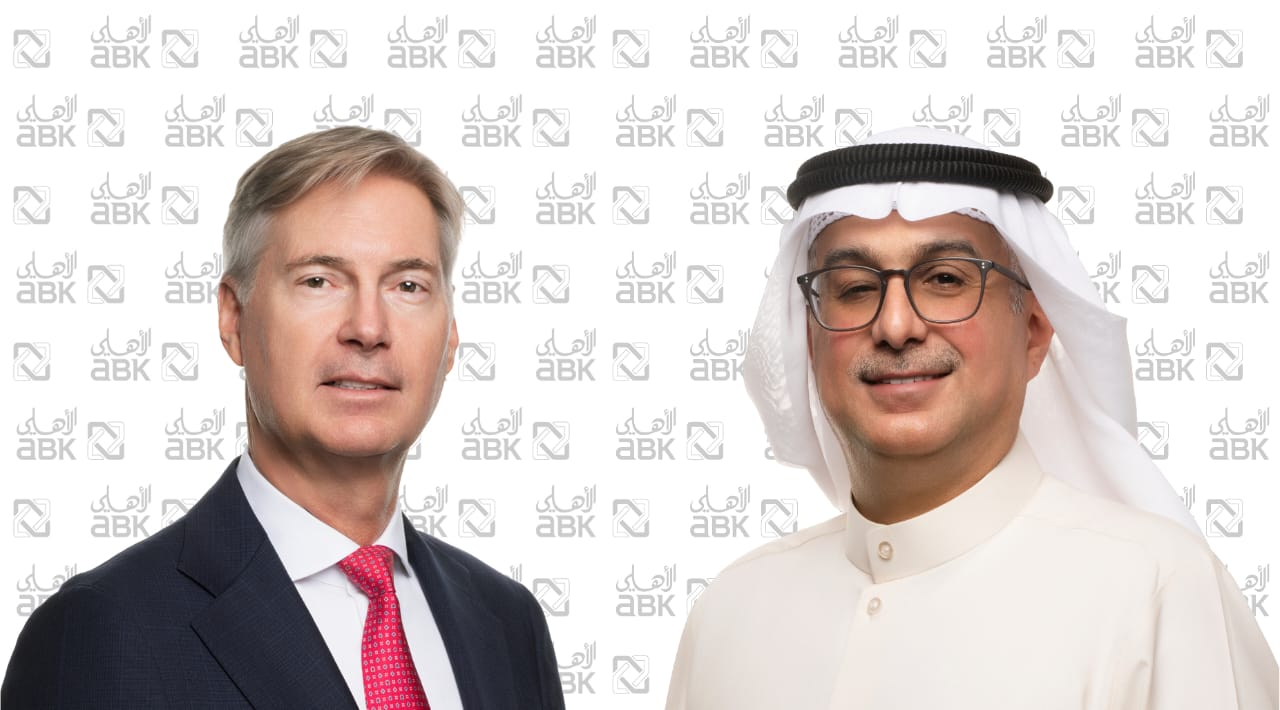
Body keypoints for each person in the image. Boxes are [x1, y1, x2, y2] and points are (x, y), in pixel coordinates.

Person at [665, 127, 1278, 709]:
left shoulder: (1158, 593)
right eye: (854, 287)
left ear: (1033, 333)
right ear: (809, 339)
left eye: (945, 279)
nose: (896, 326)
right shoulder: (730, 613)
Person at [2, 127, 565, 710]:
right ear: (233, 319)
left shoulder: (508, 624)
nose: (368, 328)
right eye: (319, 280)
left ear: (450, 336)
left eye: (408, 285)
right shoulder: (103, 629)